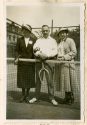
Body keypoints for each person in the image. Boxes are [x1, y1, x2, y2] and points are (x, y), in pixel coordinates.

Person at [29, 25, 58, 106]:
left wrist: (47, 56)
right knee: (38, 80)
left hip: (49, 62)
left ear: (49, 31)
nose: (45, 32)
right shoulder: (38, 40)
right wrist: (40, 54)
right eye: (43, 31)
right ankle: (36, 97)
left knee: (50, 82)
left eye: (46, 30)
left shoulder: (53, 41)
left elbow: (55, 51)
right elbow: (34, 49)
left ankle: (52, 98)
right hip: (39, 62)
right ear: (42, 31)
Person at [14, 24, 36, 103]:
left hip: (30, 64)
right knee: (22, 79)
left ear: (29, 32)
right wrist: (17, 58)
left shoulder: (34, 40)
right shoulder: (19, 40)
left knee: (29, 79)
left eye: (27, 30)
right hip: (22, 63)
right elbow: (16, 50)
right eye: (24, 30)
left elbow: (35, 52)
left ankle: (27, 95)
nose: (25, 32)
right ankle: (23, 95)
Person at [57, 28, 77, 104]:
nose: (62, 34)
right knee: (65, 82)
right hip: (61, 64)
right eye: (61, 33)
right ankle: (67, 97)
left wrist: (64, 57)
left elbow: (74, 52)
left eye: (64, 33)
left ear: (66, 33)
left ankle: (71, 98)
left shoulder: (70, 40)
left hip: (69, 64)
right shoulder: (59, 42)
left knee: (70, 81)